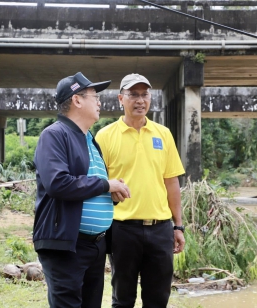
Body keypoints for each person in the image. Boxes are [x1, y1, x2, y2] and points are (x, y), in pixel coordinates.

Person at [33, 72, 130, 308]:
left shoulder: (90, 140)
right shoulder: (54, 135)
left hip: (95, 245)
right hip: (67, 243)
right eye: (94, 96)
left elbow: (90, 186)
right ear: (77, 100)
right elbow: (58, 183)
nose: (99, 102)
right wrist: (107, 185)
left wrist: (111, 195)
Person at [95, 73, 186, 308]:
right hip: (122, 229)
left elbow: (171, 182)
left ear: (151, 98)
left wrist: (178, 225)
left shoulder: (163, 134)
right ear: (120, 99)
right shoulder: (105, 136)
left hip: (160, 229)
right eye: (133, 94)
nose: (140, 100)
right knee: (123, 298)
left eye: (144, 94)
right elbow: (96, 183)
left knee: (158, 299)